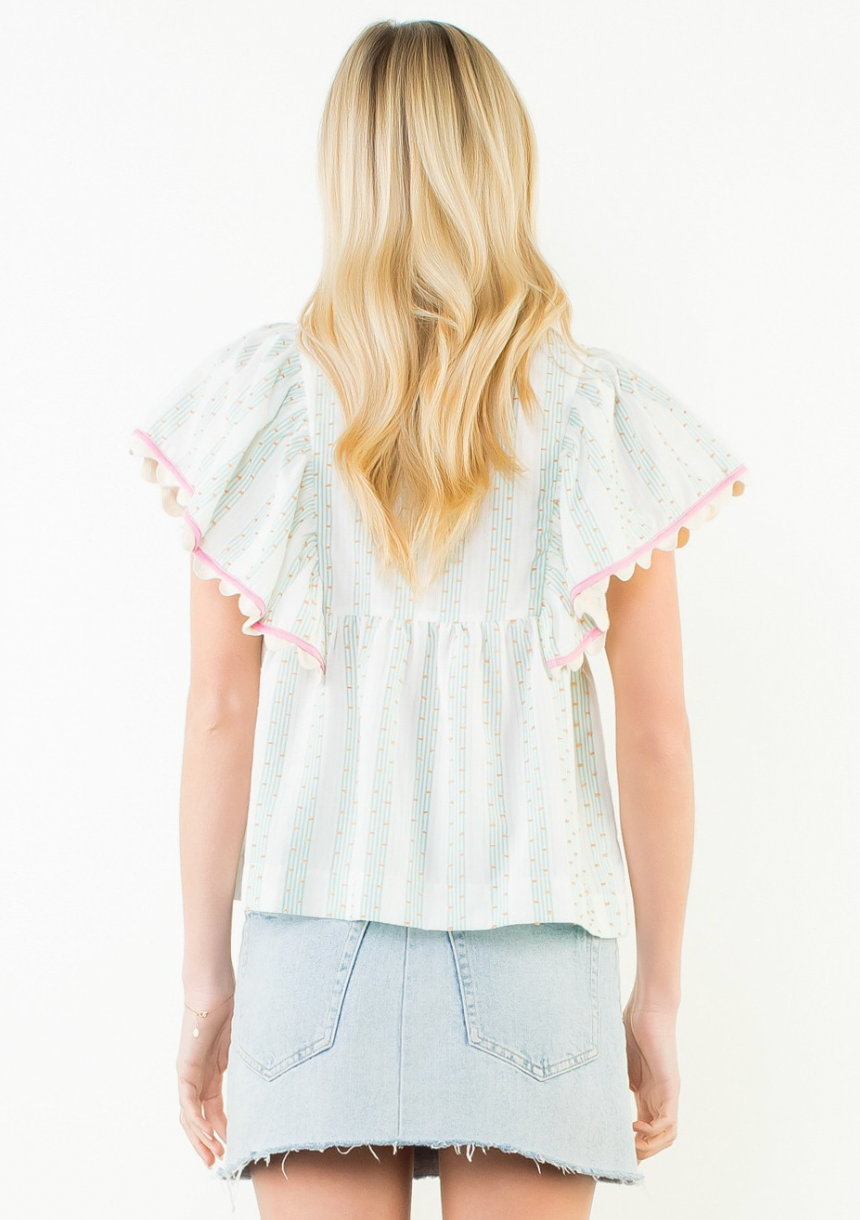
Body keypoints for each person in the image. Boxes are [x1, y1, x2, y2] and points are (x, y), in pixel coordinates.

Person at [127, 19, 750, 1220]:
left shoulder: (261, 406)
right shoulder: (594, 417)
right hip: (537, 959)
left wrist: (207, 982)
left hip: (314, 955)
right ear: (498, 167)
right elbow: (658, 733)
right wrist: (658, 991)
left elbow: (216, 714)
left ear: (344, 176)